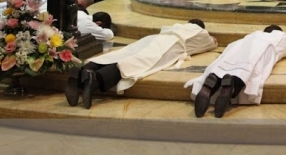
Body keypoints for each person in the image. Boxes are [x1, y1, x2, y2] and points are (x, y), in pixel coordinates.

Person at [66, 20, 216, 109]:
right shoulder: (200, 33)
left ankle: (84, 70)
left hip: (152, 38)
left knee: (121, 54)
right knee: (134, 63)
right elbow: (212, 43)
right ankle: (95, 81)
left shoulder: (175, 26)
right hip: (170, 45)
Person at [186, 25, 286, 118]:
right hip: (263, 48)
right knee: (248, 70)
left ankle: (213, 80)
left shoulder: (251, 35)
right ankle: (231, 86)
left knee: (221, 67)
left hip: (234, 48)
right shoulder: (281, 36)